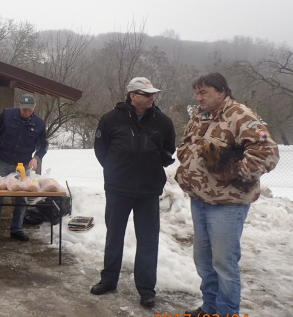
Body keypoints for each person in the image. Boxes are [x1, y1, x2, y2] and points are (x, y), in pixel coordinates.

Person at [176, 73, 279, 317]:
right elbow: (188, 143)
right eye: (197, 93)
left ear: (221, 92)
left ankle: (226, 312)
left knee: (223, 264)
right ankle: (209, 308)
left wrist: (235, 173)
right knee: (204, 261)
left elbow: (267, 151)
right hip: (200, 199)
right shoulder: (200, 115)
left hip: (227, 204)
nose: (199, 98)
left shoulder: (240, 115)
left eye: (204, 93)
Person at [90, 77, 176, 309]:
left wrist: (153, 163)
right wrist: (114, 169)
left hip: (148, 190)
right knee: (114, 236)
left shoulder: (163, 122)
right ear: (132, 96)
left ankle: (146, 290)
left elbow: (169, 150)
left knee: (148, 241)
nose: (151, 97)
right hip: (118, 189)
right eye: (146, 94)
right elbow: (101, 149)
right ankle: (108, 281)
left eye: (152, 94)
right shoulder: (110, 119)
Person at [0, 93, 48, 244]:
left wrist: (36, 157)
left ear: (34, 108)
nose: (26, 113)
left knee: (21, 197)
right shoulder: (7, 114)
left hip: (23, 164)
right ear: (19, 106)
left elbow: (43, 144)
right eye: (24, 110)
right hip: (3, 160)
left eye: (30, 110)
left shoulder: (39, 123)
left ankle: (16, 229)